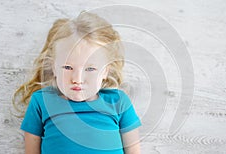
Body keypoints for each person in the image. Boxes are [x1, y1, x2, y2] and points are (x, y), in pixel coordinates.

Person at [12, 11, 141, 154]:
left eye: (90, 68)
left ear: (105, 71)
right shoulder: (41, 101)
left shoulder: (119, 102)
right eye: (68, 67)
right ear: (53, 67)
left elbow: (134, 150)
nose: (77, 79)